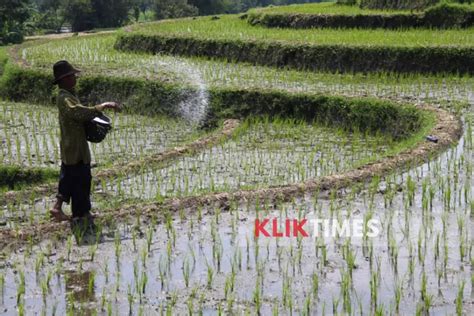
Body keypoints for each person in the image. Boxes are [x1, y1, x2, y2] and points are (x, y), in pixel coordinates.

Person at [50, 60, 120, 222]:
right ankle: (80, 212)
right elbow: (77, 113)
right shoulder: (64, 97)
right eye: (72, 75)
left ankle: (78, 212)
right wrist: (100, 107)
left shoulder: (69, 95)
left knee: (74, 179)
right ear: (65, 79)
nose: (75, 78)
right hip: (74, 146)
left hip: (75, 145)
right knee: (81, 179)